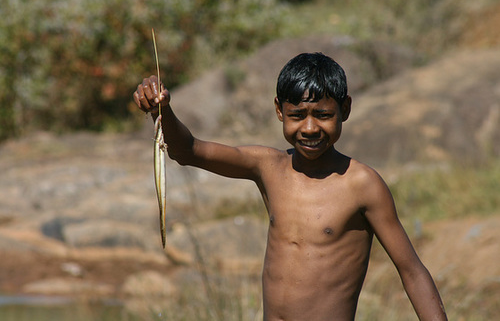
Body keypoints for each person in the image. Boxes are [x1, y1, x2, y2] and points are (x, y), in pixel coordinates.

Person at [133, 52, 447, 321]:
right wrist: (163, 110)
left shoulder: (363, 185)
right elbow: (188, 151)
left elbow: (412, 272)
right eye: (297, 116)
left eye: (323, 115)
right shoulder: (268, 167)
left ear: (345, 110)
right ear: (279, 111)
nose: (310, 128)